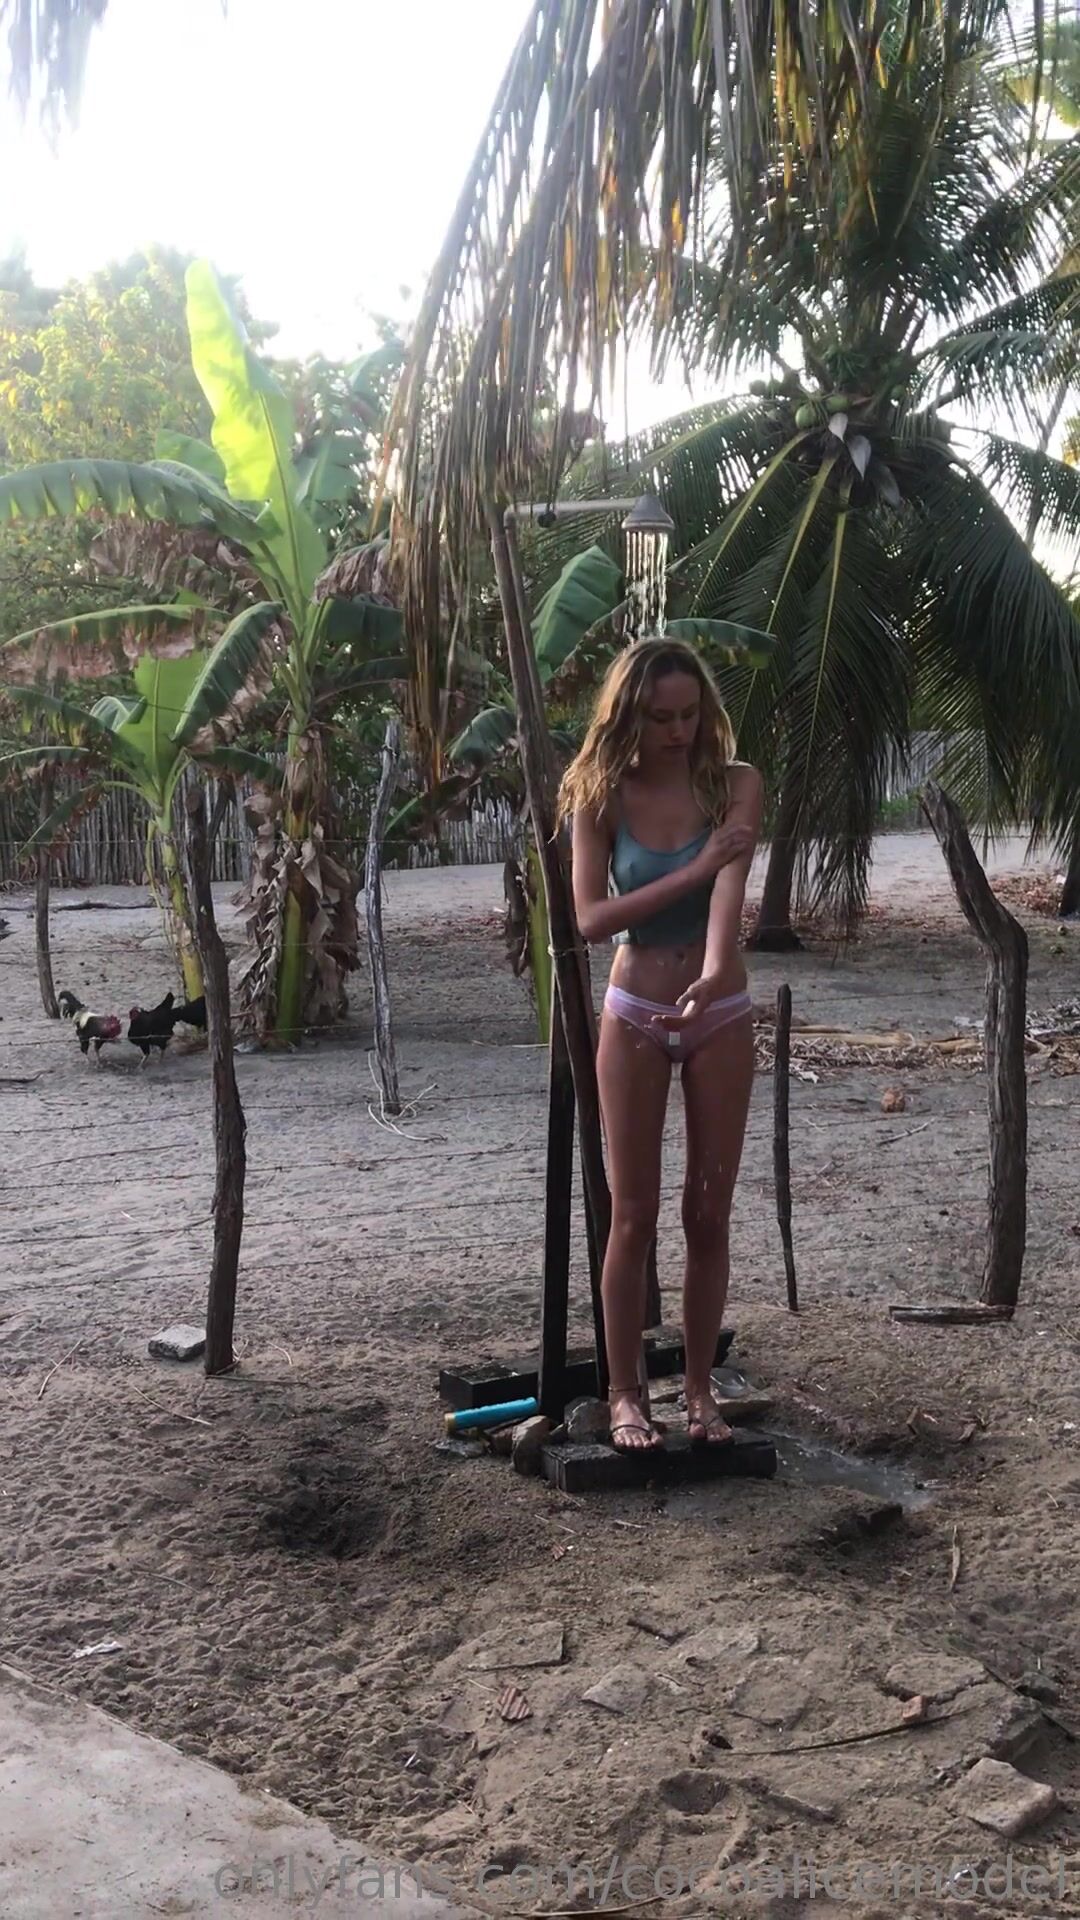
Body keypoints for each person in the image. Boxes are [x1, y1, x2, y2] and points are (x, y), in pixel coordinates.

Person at [559, 637, 762, 1453]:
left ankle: (701, 1390)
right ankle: (624, 1394)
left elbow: (729, 889)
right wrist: (694, 866)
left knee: (707, 1211)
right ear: (628, 715)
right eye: (660, 717)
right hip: (636, 1007)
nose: (679, 732)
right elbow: (590, 918)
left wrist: (714, 971)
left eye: (690, 715)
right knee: (632, 1214)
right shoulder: (598, 793)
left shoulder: (735, 783)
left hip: (719, 1008)